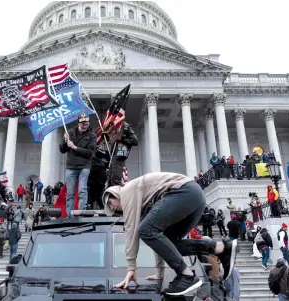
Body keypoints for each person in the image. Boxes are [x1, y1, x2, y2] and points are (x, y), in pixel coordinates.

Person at [102, 172, 237, 296]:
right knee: (169, 242)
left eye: (110, 203)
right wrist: (160, 273)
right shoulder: (143, 201)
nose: (112, 208)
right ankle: (221, 248)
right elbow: (159, 240)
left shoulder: (127, 191)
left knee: (144, 230)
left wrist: (131, 267)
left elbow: (131, 231)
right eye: (110, 208)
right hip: (195, 196)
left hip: (184, 192)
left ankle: (187, 276)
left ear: (115, 194)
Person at [59, 113, 96, 216]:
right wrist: (65, 141)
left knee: (82, 190)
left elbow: (90, 153)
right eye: (83, 123)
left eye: (87, 123)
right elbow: (62, 150)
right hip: (71, 166)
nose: (85, 125)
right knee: (70, 193)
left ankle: (81, 214)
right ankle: (70, 215)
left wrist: (75, 147)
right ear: (79, 122)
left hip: (84, 166)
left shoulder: (92, 135)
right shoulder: (70, 132)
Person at [105, 121, 138, 187]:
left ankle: (118, 194)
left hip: (120, 154)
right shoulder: (113, 128)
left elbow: (135, 141)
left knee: (115, 179)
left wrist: (122, 139)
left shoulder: (125, 126)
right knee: (110, 179)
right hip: (113, 155)